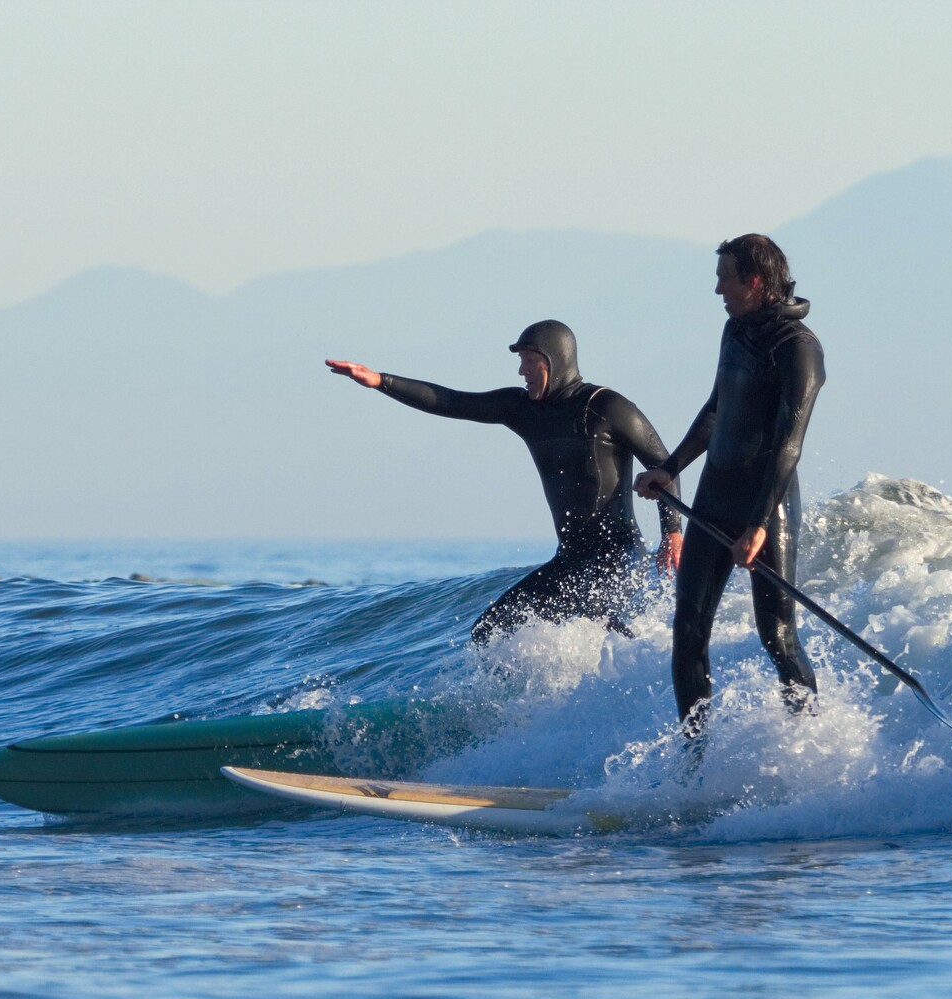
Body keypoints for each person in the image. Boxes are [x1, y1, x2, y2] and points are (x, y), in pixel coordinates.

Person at [327, 320, 683, 644]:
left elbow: (661, 462)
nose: (522, 370)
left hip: (617, 554)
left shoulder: (604, 406)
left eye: (530, 360)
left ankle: (649, 672)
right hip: (571, 556)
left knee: (598, 619)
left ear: (555, 360)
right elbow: (452, 402)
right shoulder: (522, 408)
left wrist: (672, 532)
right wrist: (380, 381)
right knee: (489, 632)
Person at [635, 234, 824, 739]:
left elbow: (789, 444)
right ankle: (693, 761)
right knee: (688, 631)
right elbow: (717, 408)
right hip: (714, 497)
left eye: (725, 278)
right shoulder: (735, 331)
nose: (718, 289)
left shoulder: (799, 350)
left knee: (777, 636)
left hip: (768, 504)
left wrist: (759, 524)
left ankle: (805, 745)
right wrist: (670, 468)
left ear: (755, 281)